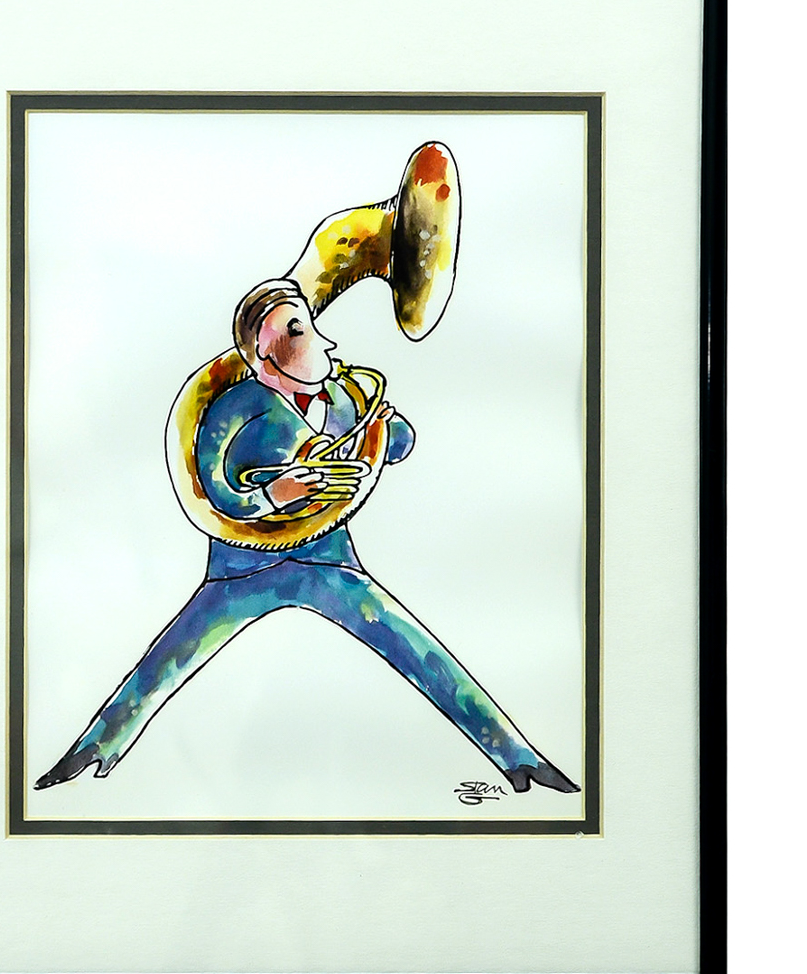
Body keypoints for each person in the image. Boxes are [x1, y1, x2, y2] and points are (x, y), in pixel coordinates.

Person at [35, 278, 579, 795]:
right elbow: (214, 491)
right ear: (262, 355)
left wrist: (385, 425)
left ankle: (517, 758)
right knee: (168, 660)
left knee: (415, 648)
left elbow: (400, 445)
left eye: (308, 326)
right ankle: (93, 751)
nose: (319, 340)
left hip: (328, 559)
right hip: (242, 569)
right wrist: (276, 494)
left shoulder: (344, 396)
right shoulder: (232, 409)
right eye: (296, 330)